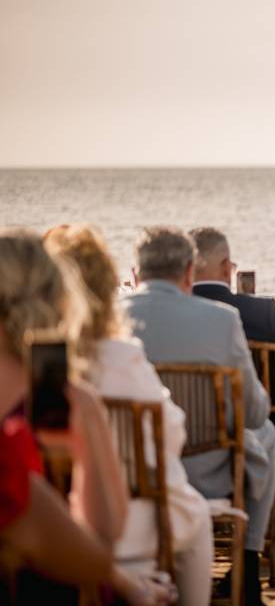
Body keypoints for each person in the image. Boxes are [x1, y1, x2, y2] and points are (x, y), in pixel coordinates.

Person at [0, 228, 174, 605]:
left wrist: (130, 585)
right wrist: (91, 434)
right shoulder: (6, 460)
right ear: (58, 305)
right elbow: (96, 556)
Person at [44, 224, 213, 606]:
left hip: (57, 521)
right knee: (198, 514)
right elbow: (171, 434)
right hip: (133, 526)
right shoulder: (121, 358)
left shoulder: (41, 366)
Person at [122, 226, 275, 605]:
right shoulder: (222, 319)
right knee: (268, 433)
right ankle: (247, 558)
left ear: (136, 275)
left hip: (131, 476)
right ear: (190, 272)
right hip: (210, 475)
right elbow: (255, 412)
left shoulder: (108, 319)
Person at [188, 226, 275, 460]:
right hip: (253, 430)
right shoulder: (258, 311)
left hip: (186, 431)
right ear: (226, 267)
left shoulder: (174, 313)